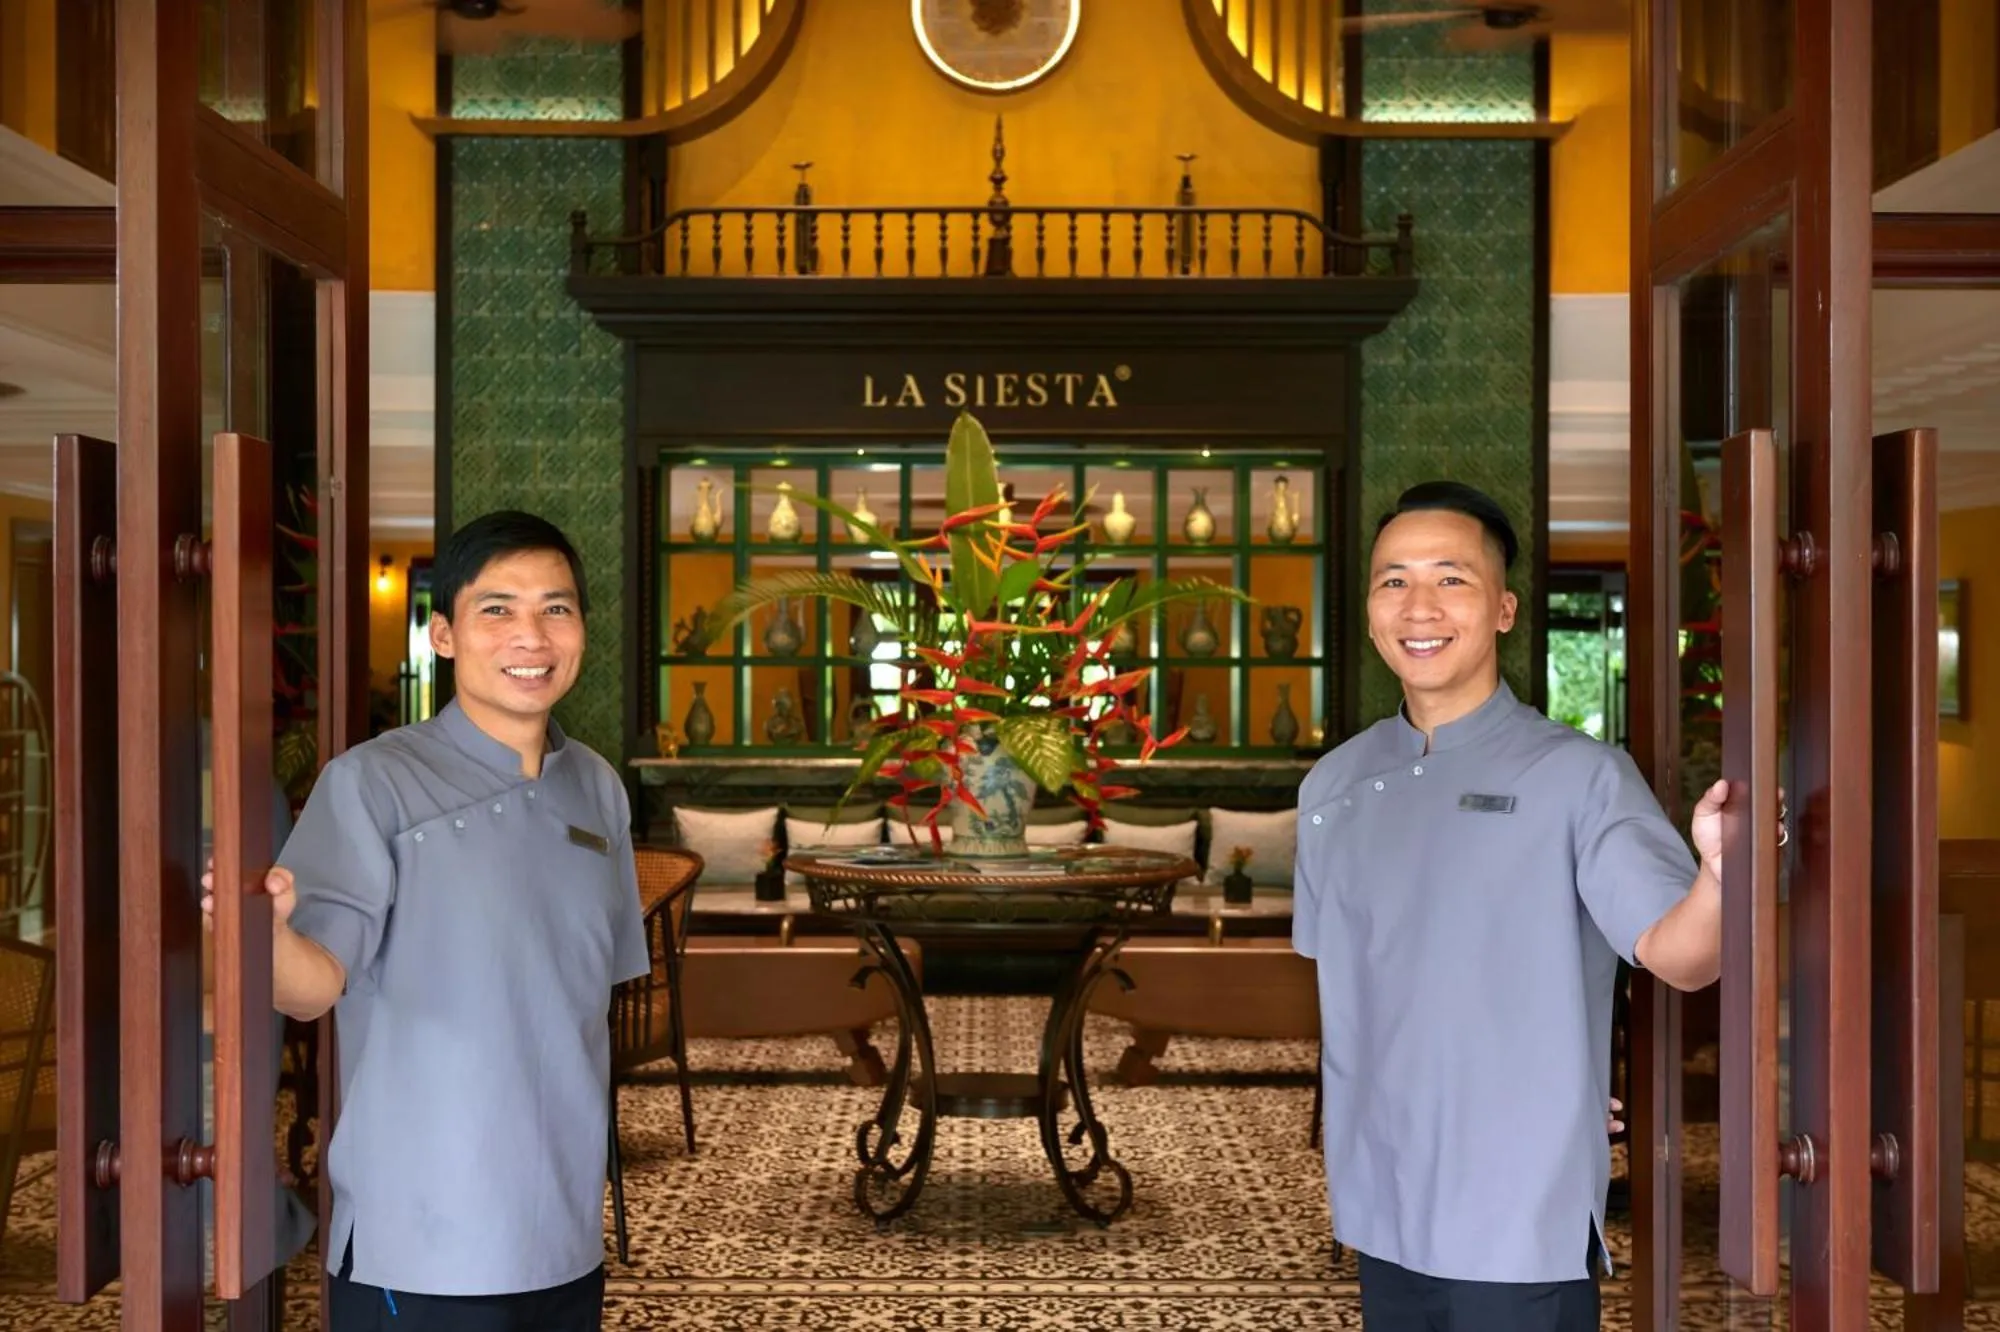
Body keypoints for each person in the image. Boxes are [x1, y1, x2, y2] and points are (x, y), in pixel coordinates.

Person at [1293, 481, 1726, 1332]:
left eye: (1451, 578)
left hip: (1516, 1208)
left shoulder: (1580, 775)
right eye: (1393, 581)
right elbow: (1361, 990)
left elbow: (1685, 956)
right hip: (1381, 1194)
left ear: (1503, 608)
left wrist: (1719, 873)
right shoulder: (1333, 784)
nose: (1419, 605)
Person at [205, 510, 649, 1331]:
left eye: (556, 608)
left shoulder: (598, 789)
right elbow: (310, 990)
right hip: (424, 1242)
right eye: (497, 609)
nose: (532, 636)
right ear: (443, 634)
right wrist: (263, 937)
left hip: (563, 1235)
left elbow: (588, 1002)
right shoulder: (373, 784)